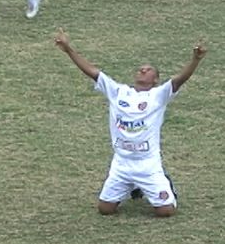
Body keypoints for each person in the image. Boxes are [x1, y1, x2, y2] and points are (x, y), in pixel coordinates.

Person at [54, 28, 207, 217]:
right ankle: (133, 186)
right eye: (140, 69)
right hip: (122, 163)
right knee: (105, 209)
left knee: (166, 212)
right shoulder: (118, 91)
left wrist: (196, 59)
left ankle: (162, 183)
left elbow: (180, 79)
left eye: (149, 69)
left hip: (147, 164)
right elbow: (92, 71)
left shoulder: (158, 95)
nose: (143, 70)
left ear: (156, 79)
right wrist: (68, 49)